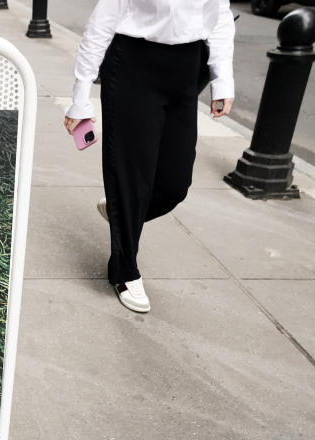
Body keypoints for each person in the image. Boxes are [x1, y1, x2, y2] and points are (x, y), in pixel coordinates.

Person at [64, 0, 236, 313]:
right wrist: (80, 96)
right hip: (134, 65)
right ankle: (124, 269)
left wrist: (223, 79)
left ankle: (121, 210)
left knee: (175, 184)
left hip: (187, 68)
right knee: (131, 174)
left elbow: (220, 15)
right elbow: (104, 19)